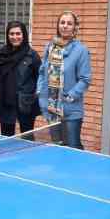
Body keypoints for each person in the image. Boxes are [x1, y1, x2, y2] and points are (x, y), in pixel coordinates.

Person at [37, 10, 91, 149]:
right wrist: (40, 91)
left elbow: (85, 79)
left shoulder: (81, 50)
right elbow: (42, 71)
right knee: (57, 147)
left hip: (71, 110)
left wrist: (70, 96)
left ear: (75, 28)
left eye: (69, 23)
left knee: (72, 148)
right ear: (58, 25)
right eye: (62, 22)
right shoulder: (50, 47)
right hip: (52, 108)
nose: (65, 26)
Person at [0, 21, 41, 136]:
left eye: (18, 33)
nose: (15, 37)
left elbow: (39, 79)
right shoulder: (1, 54)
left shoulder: (32, 55)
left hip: (25, 104)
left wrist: (32, 97)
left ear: (24, 35)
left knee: (27, 139)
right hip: (5, 103)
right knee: (6, 138)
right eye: (11, 34)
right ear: (7, 35)